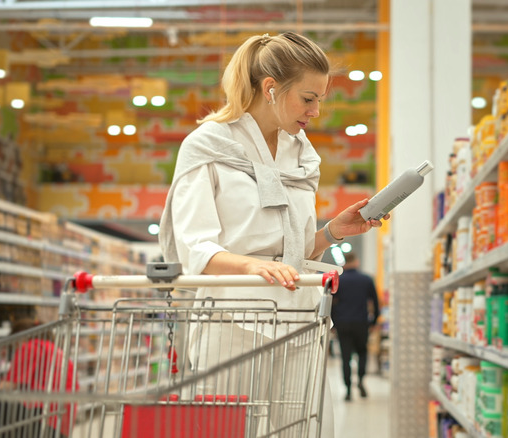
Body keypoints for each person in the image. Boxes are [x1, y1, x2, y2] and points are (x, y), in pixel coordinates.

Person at [158, 31, 388, 438]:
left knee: (302, 429)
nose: (316, 111)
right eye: (308, 98)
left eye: (320, 99)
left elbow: (290, 253)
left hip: (298, 318)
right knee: (225, 430)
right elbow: (196, 247)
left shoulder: (299, 153)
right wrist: (252, 265)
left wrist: (332, 231)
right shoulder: (208, 146)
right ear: (270, 88)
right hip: (232, 319)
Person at [331, 252, 380, 402]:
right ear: (357, 262)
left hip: (343, 323)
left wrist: (333, 323)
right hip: (361, 322)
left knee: (345, 357)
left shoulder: (339, 280)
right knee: (362, 353)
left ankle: (347, 390)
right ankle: (360, 381)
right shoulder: (366, 279)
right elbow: (375, 302)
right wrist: (373, 322)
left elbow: (332, 302)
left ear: (345, 263)